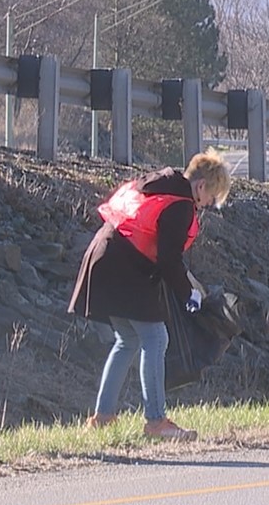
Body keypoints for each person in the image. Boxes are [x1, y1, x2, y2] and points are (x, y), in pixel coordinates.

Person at [69, 151, 232, 441]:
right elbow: (169, 260)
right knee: (156, 338)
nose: (208, 205)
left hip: (103, 256)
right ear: (201, 186)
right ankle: (156, 421)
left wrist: (185, 287)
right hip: (125, 267)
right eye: (211, 198)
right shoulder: (181, 206)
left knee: (129, 339)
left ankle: (102, 417)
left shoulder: (158, 186)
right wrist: (189, 296)